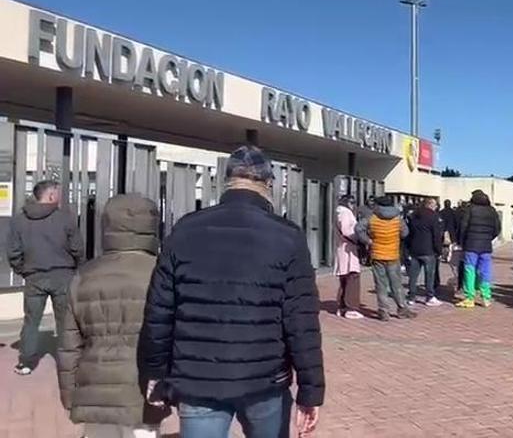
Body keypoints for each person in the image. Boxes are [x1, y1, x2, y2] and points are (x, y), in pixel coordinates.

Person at [138, 146, 324, 438]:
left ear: (226, 181)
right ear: (269, 185)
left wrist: (153, 373)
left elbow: (159, 313)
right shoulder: (288, 236)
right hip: (265, 380)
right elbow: (302, 322)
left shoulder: (185, 230)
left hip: (198, 378)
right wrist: (310, 390)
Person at [57, 194, 170, 438]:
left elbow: (69, 347)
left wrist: (69, 396)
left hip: (95, 390)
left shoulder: (85, 274)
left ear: (106, 226)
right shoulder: (162, 273)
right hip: (142, 392)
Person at [6, 180, 83, 375]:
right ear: (50, 196)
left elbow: (13, 252)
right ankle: (68, 361)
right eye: (57, 193)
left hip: (34, 276)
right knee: (65, 321)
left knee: (31, 321)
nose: (59, 197)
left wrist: (24, 270)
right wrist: (76, 268)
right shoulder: (65, 218)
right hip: (62, 274)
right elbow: (77, 249)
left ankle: (26, 362)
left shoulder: (19, 220)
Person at [357, 195, 418, 321]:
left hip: (377, 254)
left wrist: (368, 241)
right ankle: (402, 309)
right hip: (393, 255)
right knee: (396, 284)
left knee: (381, 285)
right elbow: (405, 233)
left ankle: (384, 311)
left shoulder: (372, 218)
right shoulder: (397, 219)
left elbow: (358, 229)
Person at [455, 190, 501, 309]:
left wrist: (461, 242)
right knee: (485, 271)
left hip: (471, 244)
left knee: (469, 270)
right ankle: (486, 297)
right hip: (486, 246)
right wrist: (489, 238)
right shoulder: (492, 211)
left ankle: (470, 297)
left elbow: (463, 227)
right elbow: (497, 229)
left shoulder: (470, 210)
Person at [406, 198, 443, 306]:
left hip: (415, 248)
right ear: (431, 205)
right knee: (429, 275)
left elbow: (409, 233)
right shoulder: (433, 216)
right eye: (435, 205)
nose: (436, 207)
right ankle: (429, 296)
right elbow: (436, 235)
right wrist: (439, 250)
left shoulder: (414, 215)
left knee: (413, 275)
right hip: (428, 249)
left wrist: (408, 248)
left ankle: (411, 297)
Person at [334, 195, 364, 319]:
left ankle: (342, 306)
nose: (354, 205)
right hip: (349, 249)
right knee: (352, 277)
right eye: (352, 202)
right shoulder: (346, 213)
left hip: (342, 247)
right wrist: (358, 239)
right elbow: (347, 230)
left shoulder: (339, 212)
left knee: (344, 278)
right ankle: (351, 308)